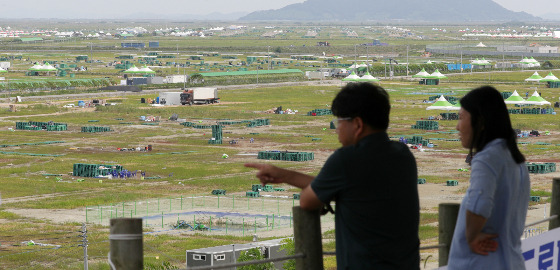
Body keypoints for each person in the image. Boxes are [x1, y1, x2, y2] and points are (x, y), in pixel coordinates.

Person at [245, 82, 420, 269]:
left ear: (358, 124)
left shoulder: (347, 159)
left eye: (340, 121)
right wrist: (285, 175)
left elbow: (307, 201)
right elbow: (353, 191)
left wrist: (322, 196)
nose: (337, 128)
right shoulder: (402, 154)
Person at [448, 86, 530, 270]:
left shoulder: (487, 159)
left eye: (461, 118)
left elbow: (480, 205)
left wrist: (472, 236)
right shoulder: (515, 159)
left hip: (481, 263)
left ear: (481, 121)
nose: (457, 126)